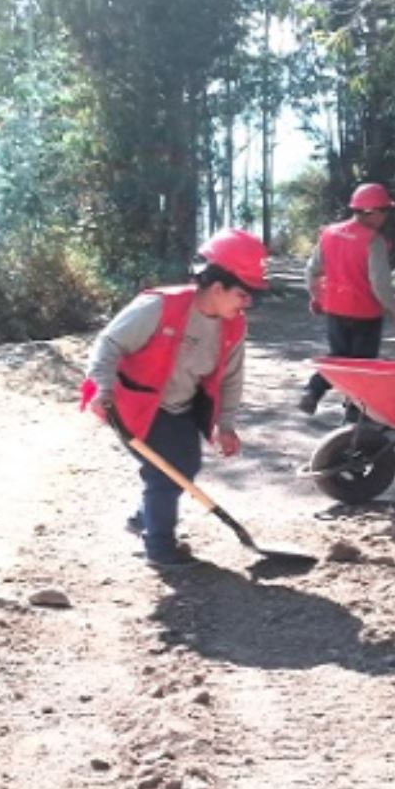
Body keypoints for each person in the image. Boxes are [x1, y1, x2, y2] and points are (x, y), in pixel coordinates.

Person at [82, 229, 266, 568]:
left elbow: (231, 378)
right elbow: (108, 344)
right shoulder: (159, 307)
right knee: (164, 474)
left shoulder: (233, 326)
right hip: (132, 403)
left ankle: (145, 518)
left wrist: (225, 425)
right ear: (216, 287)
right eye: (242, 294)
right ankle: (159, 547)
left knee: (187, 466)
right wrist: (103, 388)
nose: (247, 303)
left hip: (180, 406)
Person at [298, 183, 395, 416]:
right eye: (385, 211)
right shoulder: (374, 241)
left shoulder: (328, 233)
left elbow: (312, 271)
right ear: (372, 212)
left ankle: (313, 390)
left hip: (335, 310)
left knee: (339, 357)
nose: (386, 217)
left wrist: (316, 297)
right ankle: (354, 415)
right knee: (363, 365)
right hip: (365, 314)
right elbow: (380, 282)